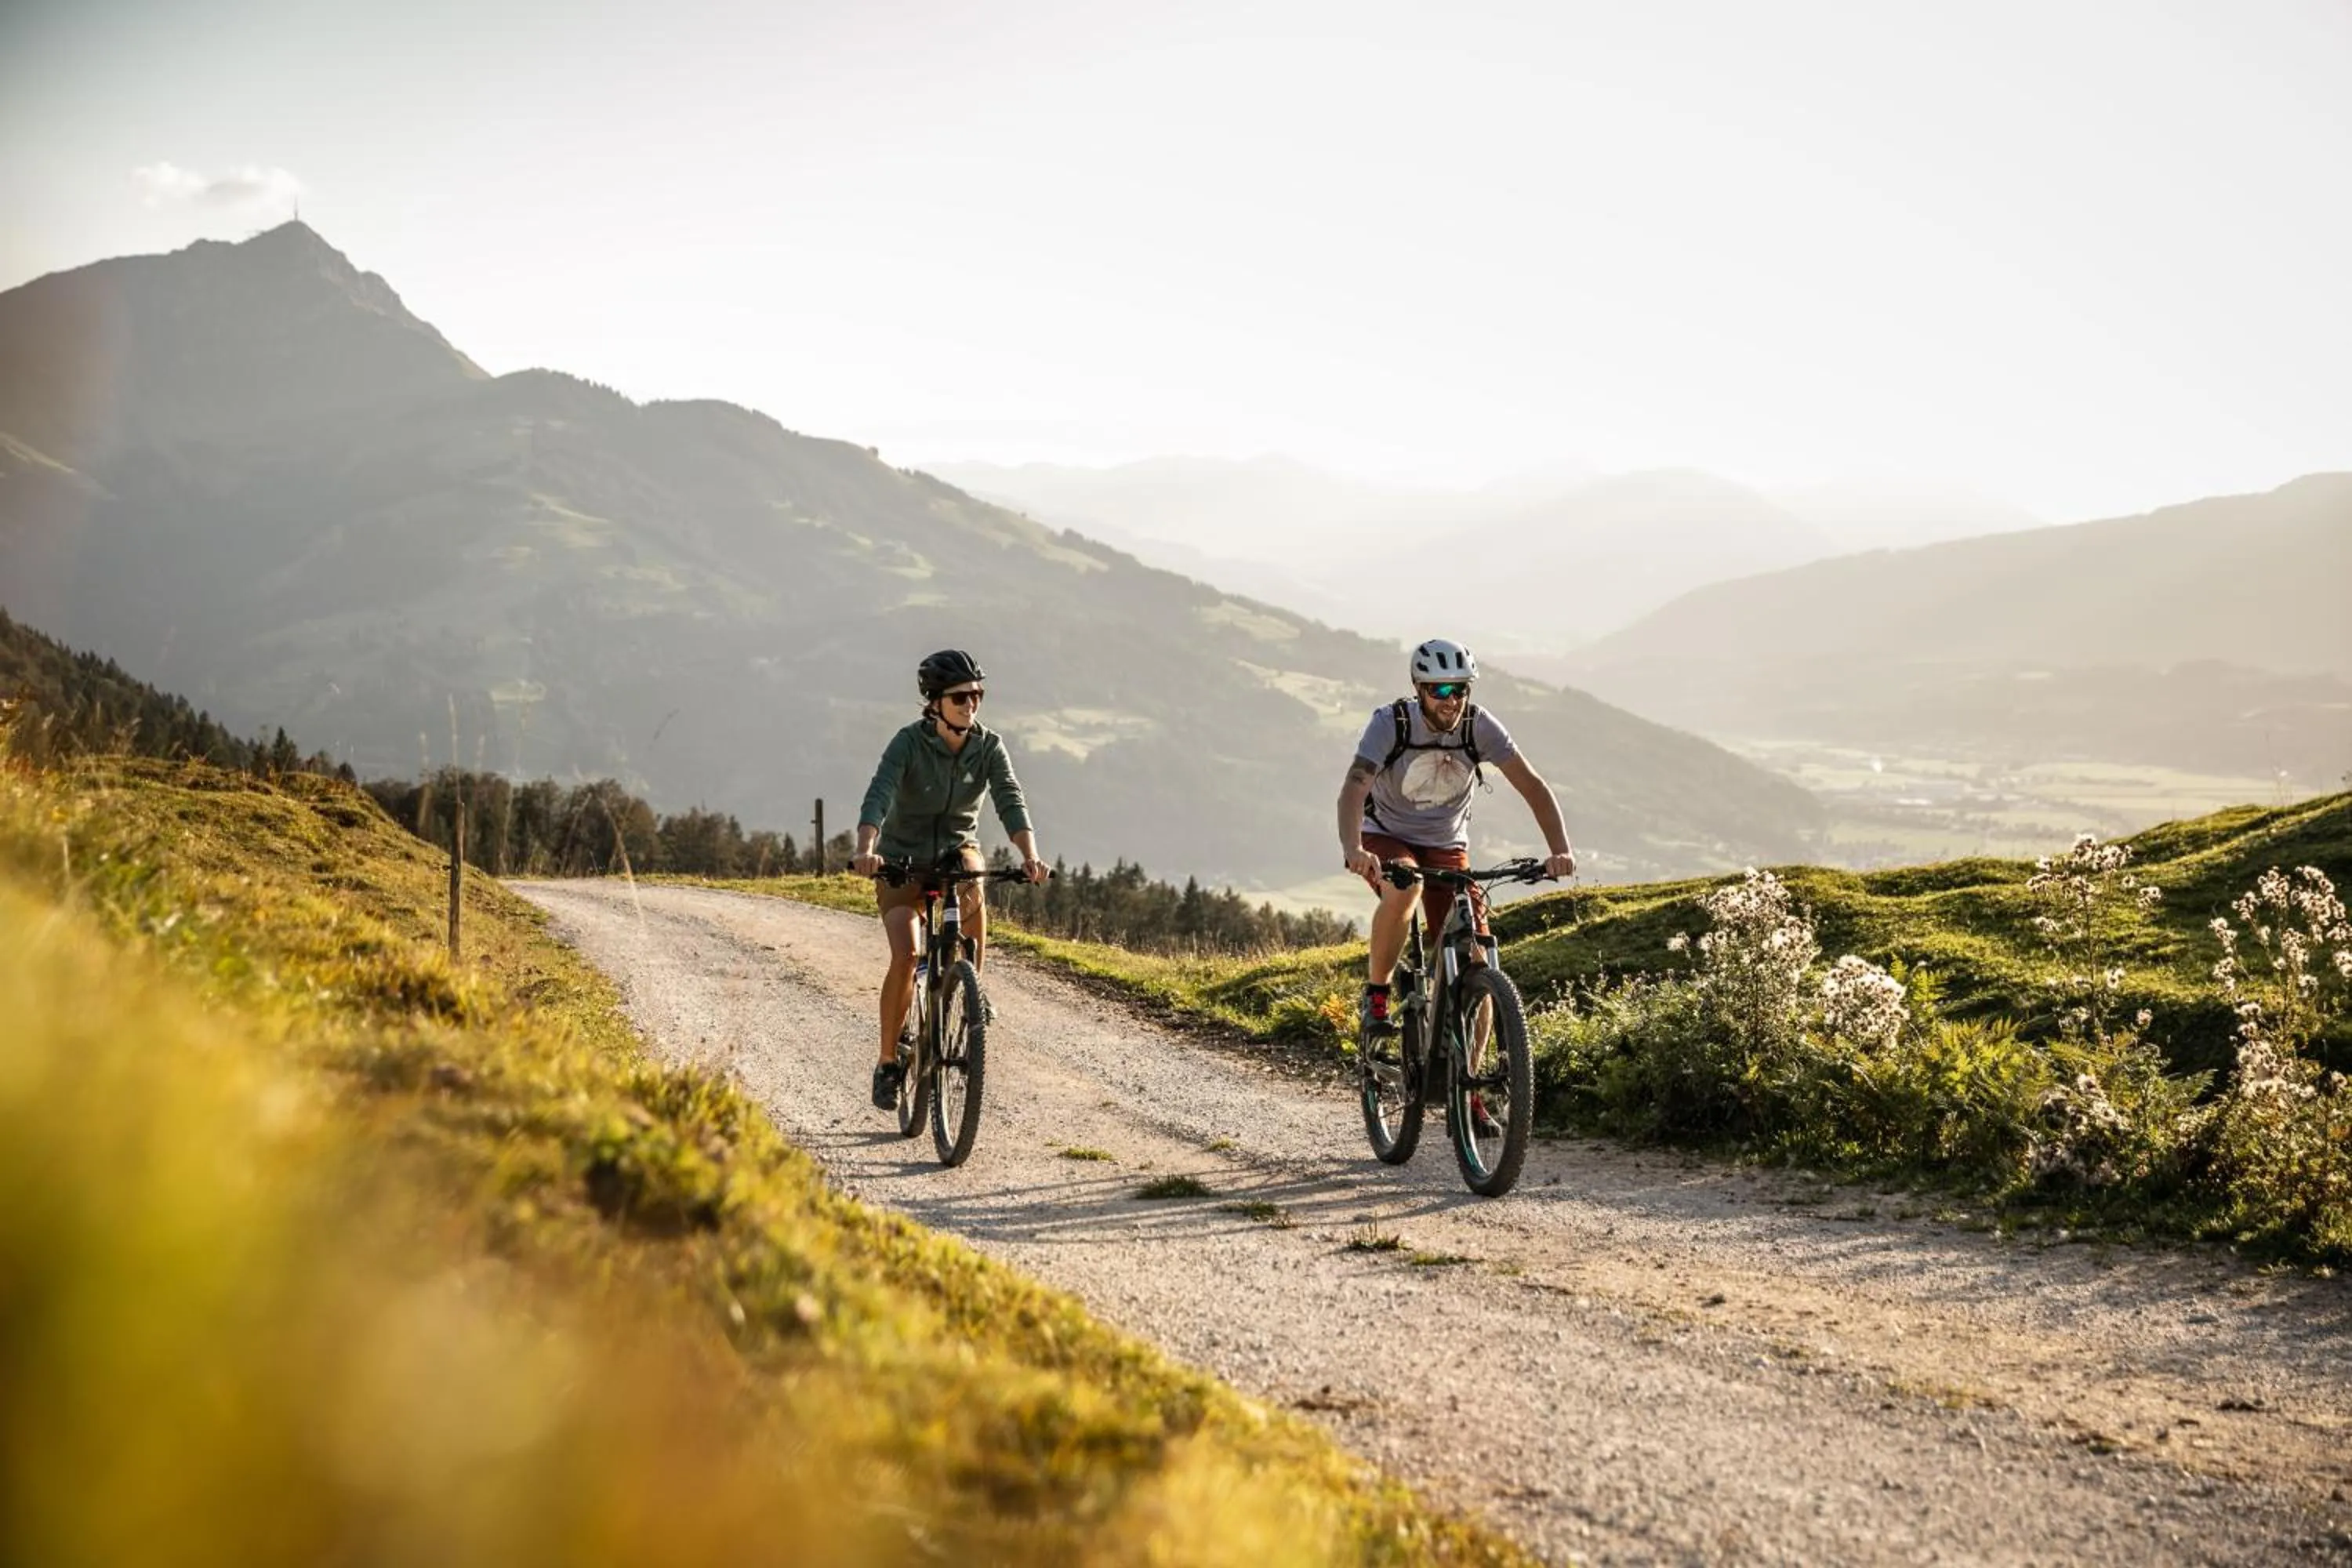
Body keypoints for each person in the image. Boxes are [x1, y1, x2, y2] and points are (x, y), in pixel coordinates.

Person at [1336, 638, 1577, 1044]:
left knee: (1476, 955)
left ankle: (1473, 1094)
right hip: (1386, 835)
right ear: (1419, 688)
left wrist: (1560, 849)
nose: (1452, 700)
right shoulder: (1389, 724)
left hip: (1447, 843)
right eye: (1440, 689)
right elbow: (1354, 789)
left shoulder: (1479, 727)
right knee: (1406, 886)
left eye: (1461, 688)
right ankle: (1377, 995)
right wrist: (1352, 849)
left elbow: (1533, 787)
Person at [851, 649, 1048, 1110]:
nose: (971, 704)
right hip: (901, 858)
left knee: (974, 878)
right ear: (935, 702)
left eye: (977, 695)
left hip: (956, 850)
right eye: (960, 696)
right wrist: (867, 849)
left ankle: (971, 989)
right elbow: (879, 793)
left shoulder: (989, 746)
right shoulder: (908, 743)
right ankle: (886, 1063)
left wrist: (1031, 857)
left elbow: (1010, 801)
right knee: (907, 954)